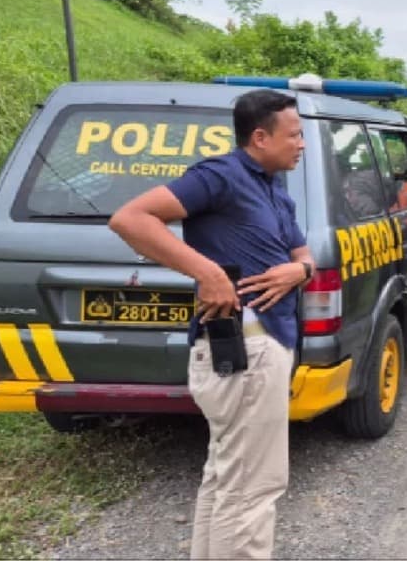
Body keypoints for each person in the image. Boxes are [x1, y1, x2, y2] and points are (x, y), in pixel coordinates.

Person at [108, 89, 313, 559]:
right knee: (251, 489)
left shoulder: (273, 186)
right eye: (295, 135)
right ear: (260, 137)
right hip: (244, 349)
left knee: (227, 479)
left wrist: (297, 270)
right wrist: (207, 272)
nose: (301, 144)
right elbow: (130, 218)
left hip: (264, 348)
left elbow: (304, 256)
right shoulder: (220, 174)